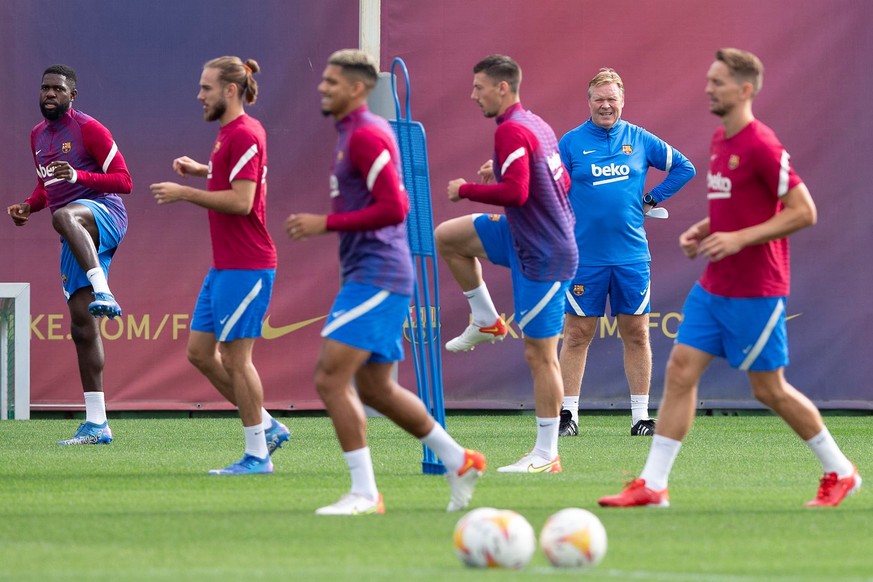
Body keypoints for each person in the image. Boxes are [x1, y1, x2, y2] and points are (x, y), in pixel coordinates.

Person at [598, 48, 861, 508]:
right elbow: (734, 205)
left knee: (768, 389)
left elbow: (804, 212)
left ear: (744, 90)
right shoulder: (722, 139)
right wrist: (705, 228)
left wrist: (740, 238)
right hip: (714, 284)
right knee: (680, 372)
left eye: (717, 82)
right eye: (708, 80)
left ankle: (840, 470)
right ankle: (653, 485)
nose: (707, 88)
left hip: (756, 288)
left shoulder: (762, 144)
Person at [286, 49, 485, 515]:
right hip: (371, 271)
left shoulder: (366, 135)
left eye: (332, 81)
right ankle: (460, 460)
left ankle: (364, 493)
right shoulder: (350, 134)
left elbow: (397, 206)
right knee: (376, 389)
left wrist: (325, 224)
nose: (322, 86)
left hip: (378, 272)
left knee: (330, 377)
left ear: (358, 89)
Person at [435, 55, 577, 474]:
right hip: (519, 235)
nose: (472, 95)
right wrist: (499, 170)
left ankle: (546, 454)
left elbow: (516, 193)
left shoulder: (514, 128)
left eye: (479, 87)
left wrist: (467, 189)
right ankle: (485, 319)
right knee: (448, 237)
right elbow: (557, 180)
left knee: (540, 355)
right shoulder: (534, 123)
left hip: (544, 253)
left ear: (502, 88)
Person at [150, 56, 289, 475]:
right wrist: (203, 171)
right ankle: (267, 425)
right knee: (199, 353)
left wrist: (184, 192)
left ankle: (257, 455)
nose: (199, 95)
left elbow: (243, 200)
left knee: (235, 358)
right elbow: (237, 177)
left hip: (248, 264)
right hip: (226, 265)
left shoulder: (245, 131)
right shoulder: (231, 134)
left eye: (206, 87)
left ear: (230, 90)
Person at [557, 68, 696, 438]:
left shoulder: (639, 138)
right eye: (599, 99)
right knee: (576, 334)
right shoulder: (570, 143)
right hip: (584, 257)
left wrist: (651, 200)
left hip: (631, 256)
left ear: (622, 101)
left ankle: (640, 418)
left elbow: (685, 167)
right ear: (589, 102)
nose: (606, 106)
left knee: (636, 333)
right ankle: (567, 415)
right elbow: (550, 186)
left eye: (612, 99)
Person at [7, 65, 131, 445]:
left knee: (64, 215)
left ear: (72, 95)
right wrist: (29, 205)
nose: (49, 94)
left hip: (104, 214)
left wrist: (79, 177)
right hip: (72, 232)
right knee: (81, 325)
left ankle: (103, 288)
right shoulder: (37, 136)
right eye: (44, 88)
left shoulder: (90, 129)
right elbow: (48, 185)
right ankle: (97, 424)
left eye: (57, 89)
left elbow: (125, 181)